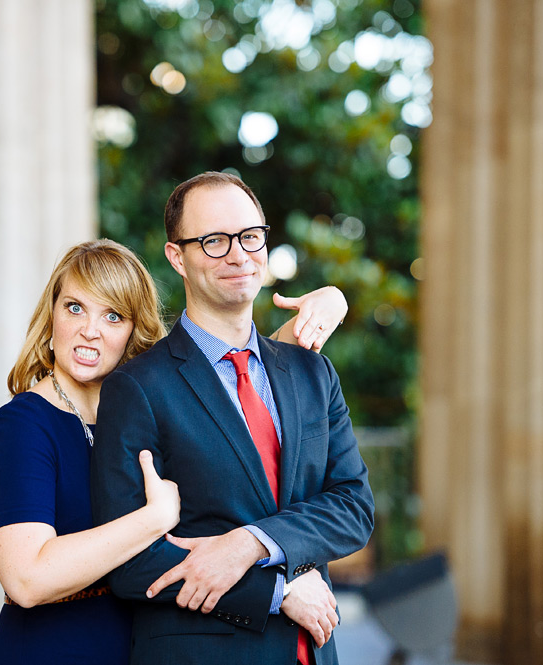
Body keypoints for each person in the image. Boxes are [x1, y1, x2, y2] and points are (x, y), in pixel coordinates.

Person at [0, 238, 349, 664]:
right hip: (57, 648)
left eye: (113, 315)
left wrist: (332, 302)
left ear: (133, 330)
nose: (90, 330)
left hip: (143, 645)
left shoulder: (148, 408)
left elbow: (245, 380)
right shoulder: (23, 425)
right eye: (75, 307)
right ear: (52, 316)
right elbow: (27, 579)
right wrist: (152, 520)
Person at [91, 173, 374, 665]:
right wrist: (276, 591)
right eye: (214, 241)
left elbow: (353, 506)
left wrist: (250, 544)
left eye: (249, 237)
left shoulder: (311, 371)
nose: (238, 255)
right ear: (177, 256)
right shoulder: (137, 387)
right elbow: (127, 559)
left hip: (313, 653)